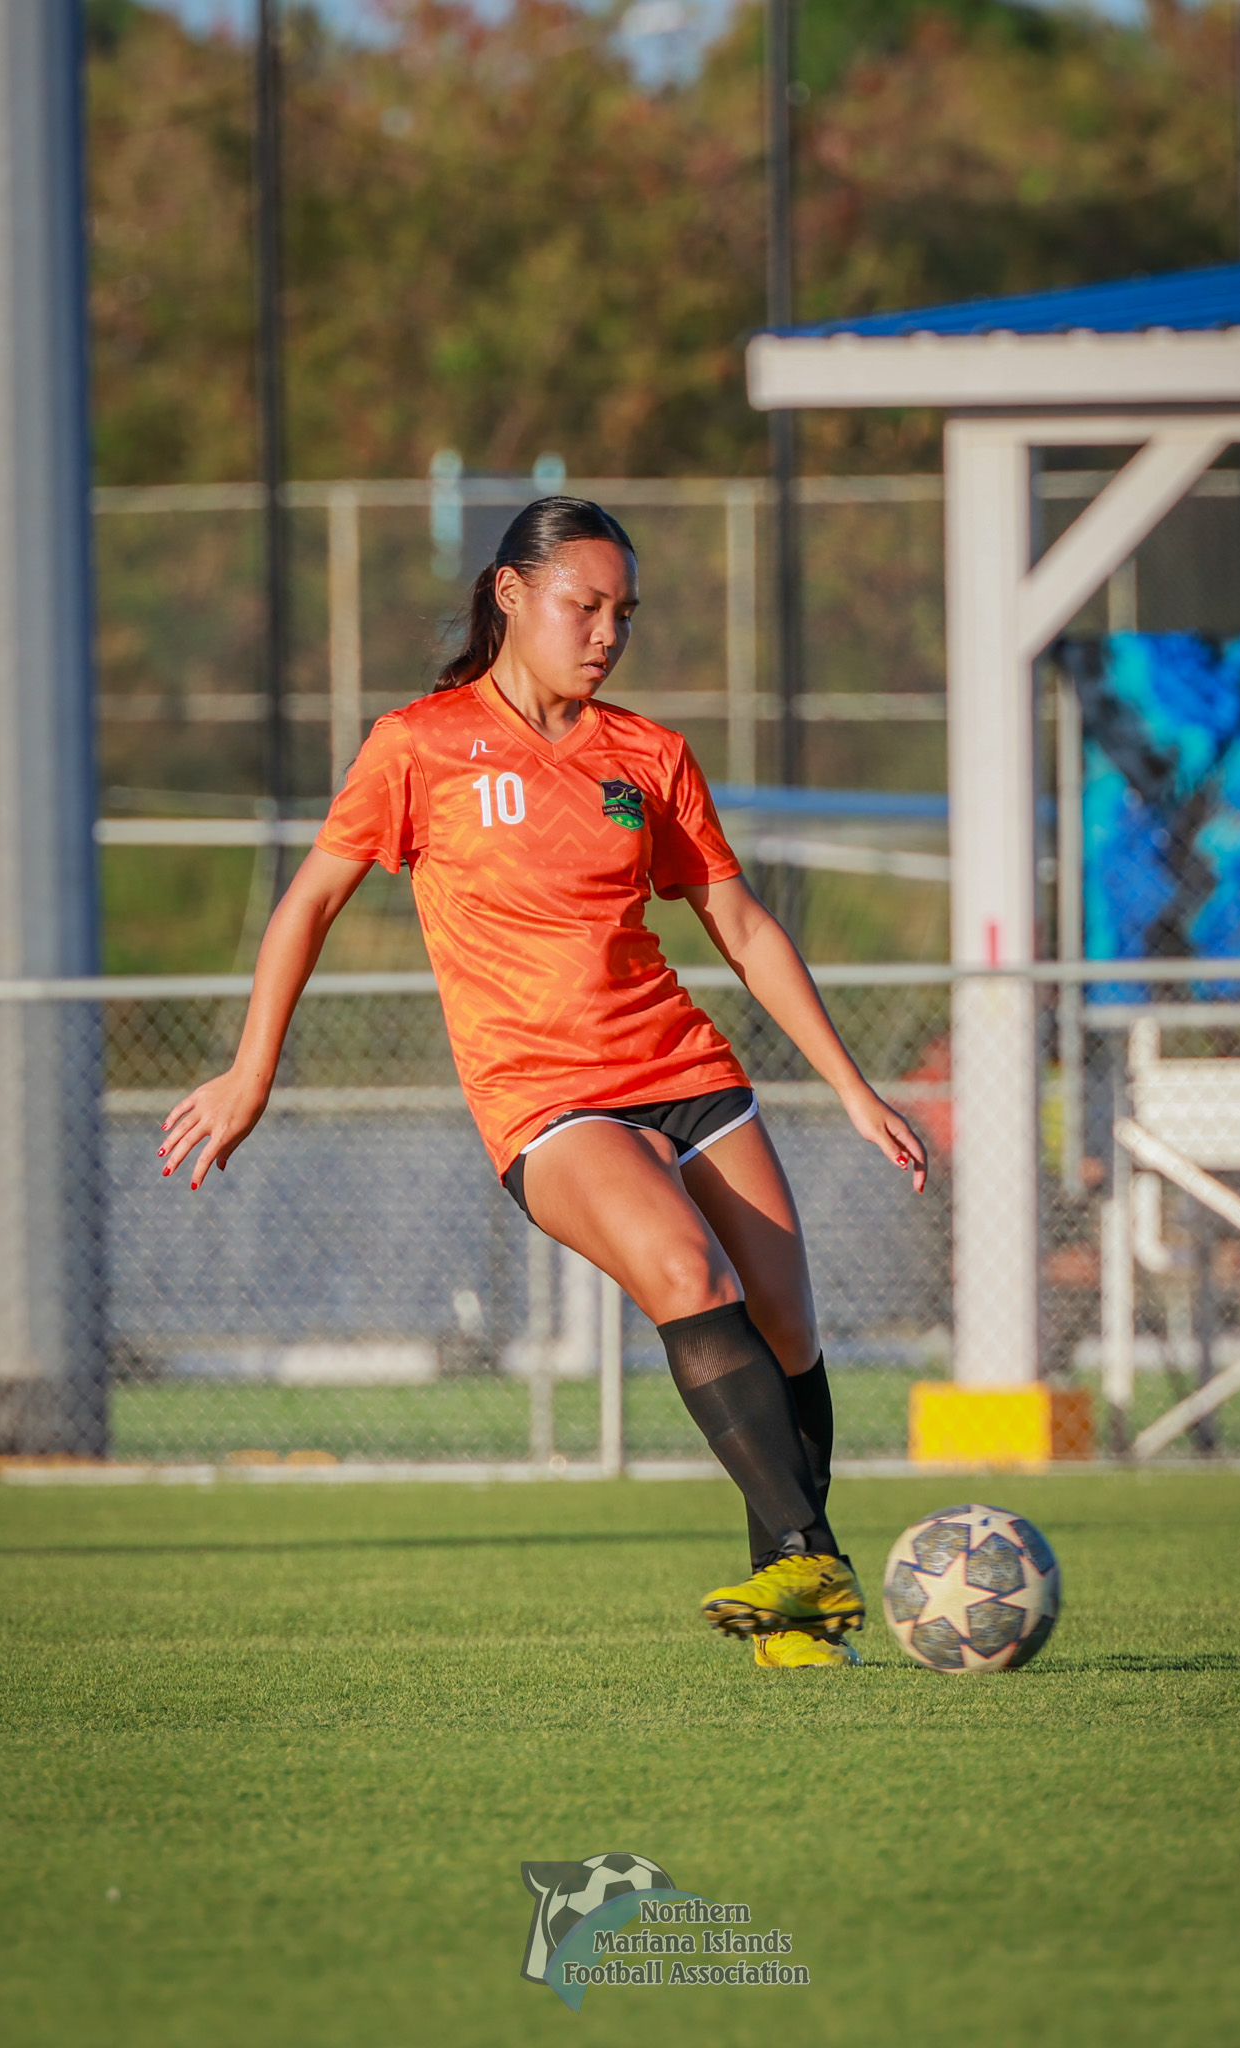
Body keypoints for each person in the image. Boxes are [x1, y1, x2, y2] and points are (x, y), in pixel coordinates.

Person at [160, 497, 927, 1670]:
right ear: (512, 595)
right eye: (586, 604)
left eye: (625, 612)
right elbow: (309, 900)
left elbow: (740, 923)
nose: (607, 631)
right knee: (685, 1267)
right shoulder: (417, 745)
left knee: (785, 1326)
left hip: (681, 1062)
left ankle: (799, 1619)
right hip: (544, 1091)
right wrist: (250, 1070)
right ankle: (811, 1560)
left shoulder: (649, 756)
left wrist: (855, 1087)